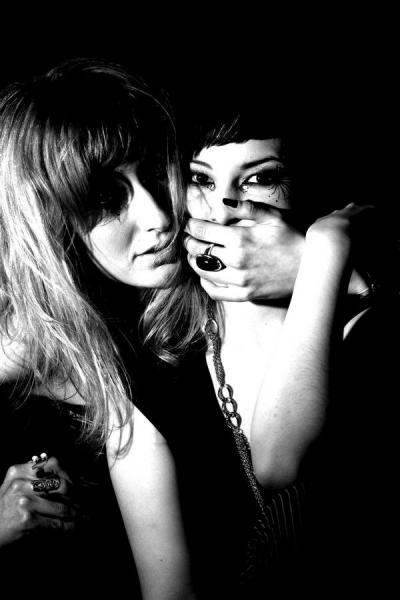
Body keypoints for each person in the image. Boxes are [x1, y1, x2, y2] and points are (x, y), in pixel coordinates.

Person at [109, 94, 400, 598]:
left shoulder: (373, 328)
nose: (224, 208)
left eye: (259, 179)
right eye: (201, 180)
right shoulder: (154, 361)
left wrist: (329, 254)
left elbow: (278, 460)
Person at [0, 56, 185, 597]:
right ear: (53, 220)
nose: (159, 217)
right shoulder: (23, 339)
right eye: (106, 198)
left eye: (155, 173)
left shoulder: (195, 304)